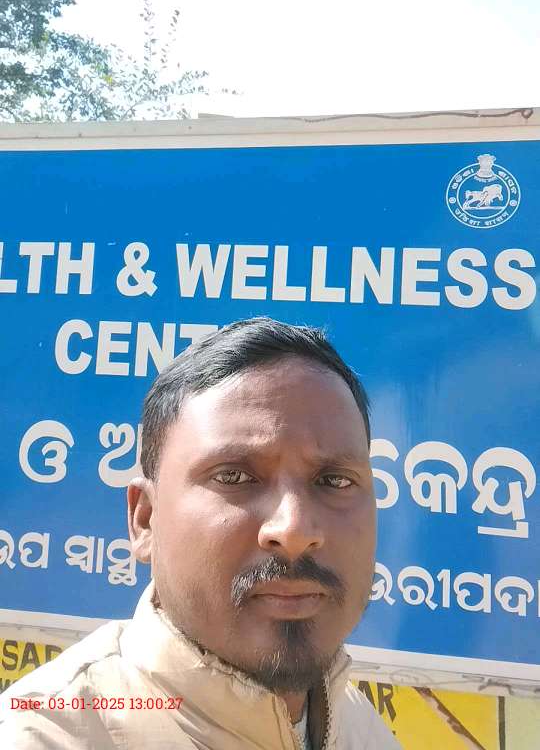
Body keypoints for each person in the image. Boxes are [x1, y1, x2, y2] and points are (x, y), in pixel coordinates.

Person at [0, 317, 401, 749]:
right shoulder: (45, 735)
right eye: (233, 476)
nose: (294, 529)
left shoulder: (361, 728)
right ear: (145, 519)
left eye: (335, 481)